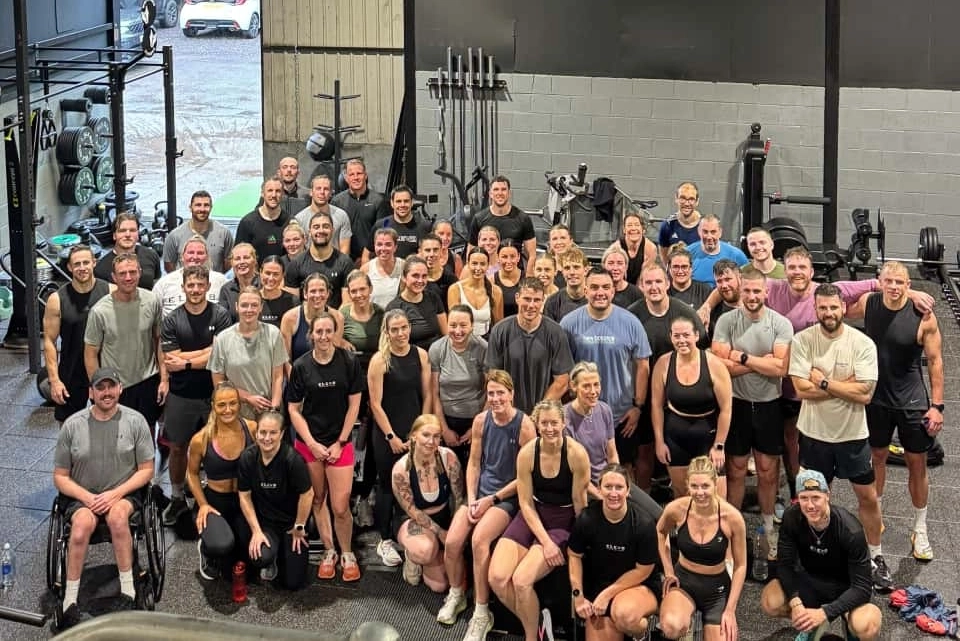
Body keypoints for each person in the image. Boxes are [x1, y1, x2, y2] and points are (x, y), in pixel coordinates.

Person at [788, 283, 891, 592]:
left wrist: (821, 380)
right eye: (823, 308)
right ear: (815, 309)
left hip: (853, 436)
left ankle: (876, 556)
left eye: (834, 307)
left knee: (868, 498)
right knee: (812, 499)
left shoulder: (861, 343)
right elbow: (800, 389)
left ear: (843, 308)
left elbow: (865, 394)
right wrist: (841, 385)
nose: (829, 313)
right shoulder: (803, 341)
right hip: (814, 436)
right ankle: (811, 555)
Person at [53, 367, 155, 628]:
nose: (106, 393)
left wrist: (115, 494)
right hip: (83, 494)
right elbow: (61, 477)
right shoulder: (73, 426)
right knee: (80, 528)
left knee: (118, 518)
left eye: (111, 387)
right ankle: (70, 601)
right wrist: (87, 498)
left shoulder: (136, 421)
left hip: (123, 492)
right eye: (101, 388)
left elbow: (146, 470)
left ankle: (128, 592)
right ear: (91, 392)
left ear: (120, 389)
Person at [437, 370, 536, 637]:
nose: (495, 398)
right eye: (491, 393)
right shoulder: (481, 421)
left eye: (500, 393)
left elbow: (525, 477)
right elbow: (474, 462)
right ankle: (457, 593)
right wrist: (471, 498)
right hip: (480, 494)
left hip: (507, 498)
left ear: (511, 394)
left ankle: (482, 611)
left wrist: (491, 499)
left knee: (479, 540)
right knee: (453, 541)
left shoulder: (525, 425)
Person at [859, 261, 943, 561]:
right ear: (879, 282)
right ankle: (875, 517)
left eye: (900, 282)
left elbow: (935, 361)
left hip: (911, 401)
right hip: (877, 398)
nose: (893, 287)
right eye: (888, 281)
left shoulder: (924, 315)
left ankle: (920, 528)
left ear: (909, 285)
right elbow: (834, 305)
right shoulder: (868, 303)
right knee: (876, 457)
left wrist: (936, 406)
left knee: (916, 463)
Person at [489, 399, 590, 641]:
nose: (550, 428)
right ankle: (538, 626)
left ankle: (531, 637)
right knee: (497, 578)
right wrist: (545, 542)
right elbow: (525, 503)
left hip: (562, 519)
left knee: (521, 581)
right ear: (536, 424)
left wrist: (583, 541)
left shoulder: (576, 454)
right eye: (544, 423)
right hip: (533, 515)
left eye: (554, 423)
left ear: (563, 423)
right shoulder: (527, 453)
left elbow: (580, 503)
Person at [709, 265, 793, 557]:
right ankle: (734, 535)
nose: (752, 295)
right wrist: (760, 361)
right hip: (737, 406)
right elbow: (720, 366)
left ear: (766, 292)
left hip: (770, 405)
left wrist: (739, 356)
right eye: (747, 290)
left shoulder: (780, 324)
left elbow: (781, 368)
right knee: (735, 471)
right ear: (741, 290)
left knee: (769, 472)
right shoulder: (727, 321)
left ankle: (769, 530)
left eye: (757, 290)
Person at [760, 470, 882, 641]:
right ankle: (810, 624)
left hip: (846, 588)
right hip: (811, 581)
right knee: (770, 600)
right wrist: (796, 604)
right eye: (804, 498)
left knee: (867, 624)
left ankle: (844, 625)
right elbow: (785, 565)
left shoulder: (850, 530)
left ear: (827, 496)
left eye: (815, 498)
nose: (810, 506)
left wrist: (825, 612)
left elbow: (862, 588)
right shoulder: (792, 517)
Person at [288, 312, 364, 582]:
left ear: (335, 332)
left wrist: (340, 441)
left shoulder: (349, 361)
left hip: (339, 443)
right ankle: (330, 551)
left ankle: (347, 553)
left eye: (327, 331)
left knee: (341, 506)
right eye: (318, 332)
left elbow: (355, 404)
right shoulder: (300, 366)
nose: (323, 336)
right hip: (310, 444)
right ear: (311, 334)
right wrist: (312, 443)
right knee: (318, 500)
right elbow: (293, 410)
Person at [561, 268, 651, 483]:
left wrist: (637, 406)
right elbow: (562, 370)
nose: (599, 292)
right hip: (581, 415)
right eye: (594, 287)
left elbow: (643, 365)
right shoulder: (569, 323)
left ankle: (625, 512)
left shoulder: (631, 322)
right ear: (585, 290)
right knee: (578, 467)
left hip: (622, 415)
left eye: (605, 287)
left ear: (613, 292)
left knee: (623, 467)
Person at [159, 265, 233, 525]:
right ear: (183, 288)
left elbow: (221, 353)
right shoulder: (172, 320)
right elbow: (170, 360)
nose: (195, 289)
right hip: (181, 396)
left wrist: (188, 361)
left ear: (208, 287)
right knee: (178, 448)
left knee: (217, 447)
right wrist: (207, 352)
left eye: (200, 285)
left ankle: (214, 496)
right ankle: (178, 497)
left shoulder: (221, 315)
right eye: (190, 285)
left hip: (214, 394)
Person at [627, 264, 707, 490]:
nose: (654, 287)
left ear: (668, 283)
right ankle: (646, 506)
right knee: (644, 451)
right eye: (648, 282)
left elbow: (704, 352)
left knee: (678, 453)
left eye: (658, 282)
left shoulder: (685, 313)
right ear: (641, 285)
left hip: (678, 395)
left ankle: (682, 502)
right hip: (643, 394)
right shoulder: (632, 315)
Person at [567, 464, 662, 641]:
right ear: (599, 489)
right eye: (608, 487)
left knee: (625, 615)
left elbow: (643, 571)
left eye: (619, 487)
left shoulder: (643, 523)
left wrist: (607, 594)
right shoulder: (587, 519)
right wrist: (578, 595)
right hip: (599, 586)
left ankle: (641, 633)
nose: (613, 493)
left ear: (628, 491)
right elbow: (574, 556)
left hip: (639, 585)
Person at [367, 309, 432, 568]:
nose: (401, 333)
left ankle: (412, 539)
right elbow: (375, 403)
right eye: (395, 329)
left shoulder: (421, 355)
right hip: (388, 435)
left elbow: (427, 395)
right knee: (387, 487)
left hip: (415, 433)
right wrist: (391, 436)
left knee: (414, 487)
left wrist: (422, 431)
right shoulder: (380, 360)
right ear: (387, 332)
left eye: (404, 327)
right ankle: (384, 540)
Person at [657, 456, 746, 641]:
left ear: (715, 484)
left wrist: (730, 610)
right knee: (671, 627)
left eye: (705, 486)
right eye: (694, 486)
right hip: (684, 582)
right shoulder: (677, 509)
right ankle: (686, 627)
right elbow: (659, 532)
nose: (700, 492)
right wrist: (667, 569)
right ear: (687, 485)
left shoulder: (732, 518)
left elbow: (740, 566)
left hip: (717, 588)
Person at [84, 253, 166, 432]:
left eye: (132, 272)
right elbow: (90, 353)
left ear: (139, 272)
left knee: (147, 433)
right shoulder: (100, 311)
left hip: (147, 380)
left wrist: (164, 378)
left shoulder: (152, 301)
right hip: (116, 385)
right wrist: (97, 388)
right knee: (117, 438)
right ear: (114, 277)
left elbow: (159, 340)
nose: (128, 277)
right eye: (122, 274)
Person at [651, 317, 732, 497]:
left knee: (716, 498)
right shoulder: (663, 364)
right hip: (675, 437)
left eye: (686, 335)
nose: (681, 340)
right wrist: (659, 441)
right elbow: (656, 406)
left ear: (696, 335)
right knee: (684, 496)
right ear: (670, 337)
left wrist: (719, 445)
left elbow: (726, 409)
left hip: (707, 436)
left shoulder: (714, 364)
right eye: (676, 336)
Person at [186, 382, 256, 581]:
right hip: (216, 501)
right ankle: (206, 549)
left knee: (252, 555)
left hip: (244, 500)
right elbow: (191, 474)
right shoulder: (201, 439)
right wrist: (203, 505)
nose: (228, 410)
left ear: (239, 404)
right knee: (221, 546)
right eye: (222, 405)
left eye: (233, 403)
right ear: (213, 406)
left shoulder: (251, 428)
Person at [237, 411, 314, 590]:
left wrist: (299, 526)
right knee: (260, 557)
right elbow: (244, 495)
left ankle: (282, 554)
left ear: (282, 433)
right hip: (266, 523)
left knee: (293, 583)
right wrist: (256, 531)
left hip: (290, 524)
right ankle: (271, 559)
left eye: (273, 433)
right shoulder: (248, 458)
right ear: (256, 433)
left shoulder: (292, 460)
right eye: (263, 432)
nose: (267, 438)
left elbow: (307, 494)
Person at [391, 414, 466, 590]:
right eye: (426, 435)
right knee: (424, 552)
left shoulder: (448, 458)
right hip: (415, 519)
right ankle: (413, 556)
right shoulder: (401, 469)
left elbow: (459, 497)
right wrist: (441, 534)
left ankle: (436, 554)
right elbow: (412, 511)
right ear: (413, 436)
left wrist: (456, 530)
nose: (431, 441)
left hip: (444, 515)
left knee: (440, 586)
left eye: (436, 436)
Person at [485, 278, 574, 414]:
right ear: (517, 298)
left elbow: (562, 381)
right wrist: (511, 413)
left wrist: (538, 413)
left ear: (543, 300)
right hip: (507, 414)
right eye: (527, 299)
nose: (531, 305)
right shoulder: (500, 330)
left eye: (537, 300)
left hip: (543, 416)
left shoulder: (555, 332)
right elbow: (493, 376)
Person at [43, 245, 111, 423]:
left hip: (104, 369)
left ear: (94, 263)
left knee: (109, 425)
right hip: (71, 371)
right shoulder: (57, 299)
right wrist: (54, 381)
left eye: (86, 262)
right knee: (68, 429)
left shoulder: (110, 292)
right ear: (70, 268)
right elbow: (49, 341)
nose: (82, 268)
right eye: (77, 264)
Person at [209, 287, 286, 420]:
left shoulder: (273, 334)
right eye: (244, 305)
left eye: (254, 305)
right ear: (237, 307)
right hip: (234, 414)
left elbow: (278, 376)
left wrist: (273, 410)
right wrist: (247, 397)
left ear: (261, 307)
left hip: (267, 410)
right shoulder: (223, 339)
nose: (249, 310)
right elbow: (219, 383)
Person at [429, 304, 488, 467]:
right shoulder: (437, 349)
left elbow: (491, 392)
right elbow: (434, 393)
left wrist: (477, 427)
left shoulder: (483, 348)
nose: (458, 331)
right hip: (447, 419)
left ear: (472, 326)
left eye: (463, 325)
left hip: (476, 418)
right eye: (453, 325)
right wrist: (444, 429)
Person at [564, 362, 618, 499]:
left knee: (652, 514)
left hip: (607, 481)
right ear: (573, 386)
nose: (593, 391)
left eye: (596, 384)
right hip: (584, 486)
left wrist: (616, 482)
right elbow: (573, 471)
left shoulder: (605, 410)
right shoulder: (564, 418)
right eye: (586, 386)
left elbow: (612, 454)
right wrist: (600, 495)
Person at [284, 210, 354, 308]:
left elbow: (347, 304)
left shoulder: (345, 263)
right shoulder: (295, 264)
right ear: (309, 232)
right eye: (316, 227)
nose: (321, 231)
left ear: (333, 230)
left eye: (325, 226)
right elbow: (291, 305)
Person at [468, 176, 537, 274]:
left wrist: (529, 276)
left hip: (514, 276)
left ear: (509, 193)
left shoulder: (523, 219)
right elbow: (471, 252)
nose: (500, 193)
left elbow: (532, 254)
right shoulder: (478, 219)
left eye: (503, 189)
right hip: (485, 274)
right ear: (490, 194)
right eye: (496, 189)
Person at [153, 235, 229, 317]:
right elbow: (153, 314)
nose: (195, 257)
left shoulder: (221, 281)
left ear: (207, 257)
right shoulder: (164, 283)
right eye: (190, 252)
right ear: (182, 256)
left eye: (200, 253)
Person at [280, 273, 347, 367]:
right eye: (313, 291)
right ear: (305, 293)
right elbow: (286, 360)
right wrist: (293, 380)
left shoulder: (338, 317)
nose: (317, 295)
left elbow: (334, 355)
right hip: (298, 377)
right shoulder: (289, 318)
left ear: (328, 293)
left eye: (321, 291)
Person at [330, 158, 391, 261]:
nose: (356, 177)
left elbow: (384, 233)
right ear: (346, 178)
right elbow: (333, 234)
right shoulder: (337, 202)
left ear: (365, 176)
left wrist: (368, 256)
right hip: (343, 259)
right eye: (352, 174)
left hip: (371, 259)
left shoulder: (379, 201)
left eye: (359, 173)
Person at [162, 190, 234, 273]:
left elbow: (229, 263)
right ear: (190, 207)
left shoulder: (224, 234)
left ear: (211, 207)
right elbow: (169, 266)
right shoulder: (174, 236)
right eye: (198, 205)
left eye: (206, 205)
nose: (202, 209)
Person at [385, 256, 448, 349]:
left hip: (437, 356)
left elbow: (445, 334)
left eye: (424, 276)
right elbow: (392, 345)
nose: (420, 280)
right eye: (415, 276)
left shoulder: (433, 297)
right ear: (404, 277)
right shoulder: (394, 307)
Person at [362, 185, 431, 263]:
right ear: (392, 203)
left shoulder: (425, 226)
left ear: (412, 202)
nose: (402, 205)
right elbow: (366, 255)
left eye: (406, 201)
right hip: (386, 274)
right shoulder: (381, 225)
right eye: (398, 201)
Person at [94, 213, 162, 290]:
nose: (128, 234)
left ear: (137, 234)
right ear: (114, 235)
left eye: (132, 230)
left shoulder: (151, 255)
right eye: (122, 231)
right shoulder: (100, 269)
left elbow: (157, 285)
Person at [448, 247, 503, 338]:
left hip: (487, 342)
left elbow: (499, 326)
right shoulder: (455, 289)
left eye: (482, 264)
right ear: (468, 264)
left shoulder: (496, 292)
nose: (478, 268)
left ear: (488, 265)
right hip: (461, 340)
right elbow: (454, 323)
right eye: (474, 263)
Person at [294, 174, 352, 255]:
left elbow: (345, 249)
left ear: (331, 193)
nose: (322, 192)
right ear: (311, 192)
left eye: (326, 189)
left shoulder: (341, 215)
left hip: (336, 264)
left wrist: (339, 266)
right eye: (318, 188)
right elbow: (299, 250)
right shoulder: (299, 219)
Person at [235, 177, 290, 261]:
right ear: (262, 193)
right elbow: (238, 255)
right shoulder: (247, 222)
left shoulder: (290, 222)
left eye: (278, 191)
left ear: (283, 194)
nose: (274, 195)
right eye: (270, 191)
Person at [686, 215, 748, 288]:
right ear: (699, 231)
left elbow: (748, 282)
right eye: (705, 232)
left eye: (713, 232)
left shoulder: (736, 255)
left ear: (720, 232)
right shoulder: (687, 254)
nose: (709, 237)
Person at [341, 270, 386, 360]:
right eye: (353, 291)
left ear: (370, 289)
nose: (359, 295)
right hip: (352, 366)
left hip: (377, 363)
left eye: (362, 289)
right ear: (349, 294)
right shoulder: (342, 315)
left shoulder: (381, 313)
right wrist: (341, 341)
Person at [658, 182, 702, 265]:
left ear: (697, 201)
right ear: (676, 198)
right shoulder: (667, 226)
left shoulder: (704, 227)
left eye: (691, 199)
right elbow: (666, 262)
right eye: (683, 198)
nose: (686, 203)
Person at [609, 211, 657, 286]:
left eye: (637, 225)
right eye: (629, 225)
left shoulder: (650, 248)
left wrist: (637, 294)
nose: (633, 228)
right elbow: (613, 277)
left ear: (643, 229)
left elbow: (644, 277)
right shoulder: (615, 248)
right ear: (624, 230)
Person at [362, 227, 405, 308]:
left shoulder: (404, 267)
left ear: (395, 247)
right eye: (379, 244)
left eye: (388, 244)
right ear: (374, 246)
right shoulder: (366, 269)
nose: (383, 248)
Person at [543, 247, 589, 322]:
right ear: (562, 271)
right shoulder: (552, 302)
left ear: (586, 270)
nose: (572, 272)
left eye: (576, 267)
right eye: (567, 268)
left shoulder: (595, 299)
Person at [218, 243, 260, 323]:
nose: (242, 262)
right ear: (232, 263)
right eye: (237, 259)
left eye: (246, 257)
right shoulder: (226, 289)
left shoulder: (264, 285)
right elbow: (223, 321)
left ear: (255, 260)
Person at [666, 245, 712, 310]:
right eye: (676, 267)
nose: (680, 271)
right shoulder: (664, 291)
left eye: (684, 267)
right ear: (669, 268)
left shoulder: (704, 290)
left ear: (691, 268)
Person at [422, 233, 459, 311]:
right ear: (420, 252)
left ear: (441, 252)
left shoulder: (450, 279)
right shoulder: (414, 278)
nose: (431, 254)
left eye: (435, 250)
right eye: (427, 250)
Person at [258, 256, 298, 327]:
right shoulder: (252, 299)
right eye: (267, 273)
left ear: (282, 275)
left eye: (276, 274)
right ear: (260, 273)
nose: (271, 278)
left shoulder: (293, 302)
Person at [493, 241, 523, 318]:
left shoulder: (527, 280)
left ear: (518, 257)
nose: (509, 261)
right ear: (497, 257)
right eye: (504, 257)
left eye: (512, 256)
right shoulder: (491, 281)